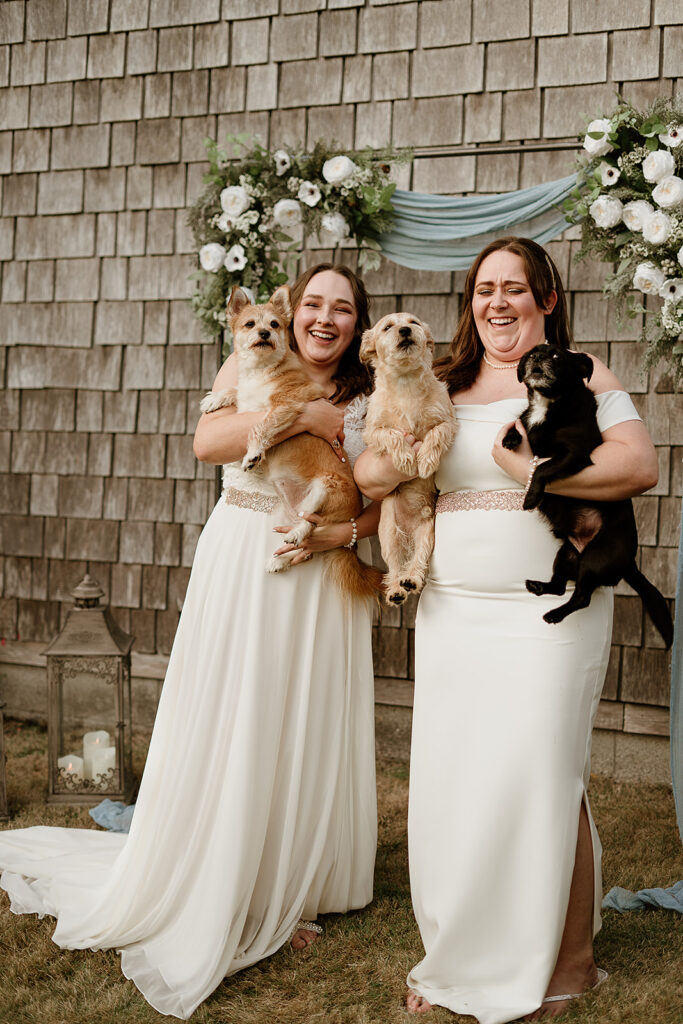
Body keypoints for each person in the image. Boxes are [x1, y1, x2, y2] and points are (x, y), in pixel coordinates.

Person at [0, 263, 380, 1020]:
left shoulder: (368, 397)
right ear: (288, 310)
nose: (323, 319)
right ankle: (224, 871)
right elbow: (209, 440)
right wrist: (304, 421)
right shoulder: (248, 357)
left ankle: (295, 883)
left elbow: (382, 499)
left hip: (320, 563)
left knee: (300, 720)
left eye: (342, 309)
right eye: (312, 304)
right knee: (234, 710)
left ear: (357, 323)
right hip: (243, 553)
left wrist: (341, 529)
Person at [354, 237, 658, 1023]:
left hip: (551, 615)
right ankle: (461, 953)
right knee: (460, 783)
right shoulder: (440, 382)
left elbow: (637, 466)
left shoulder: (581, 372)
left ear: (544, 300)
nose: (497, 303)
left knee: (541, 779)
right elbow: (370, 475)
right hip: (455, 611)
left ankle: (569, 962)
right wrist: (396, 456)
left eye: (514, 289)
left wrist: (528, 472)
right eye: (483, 289)